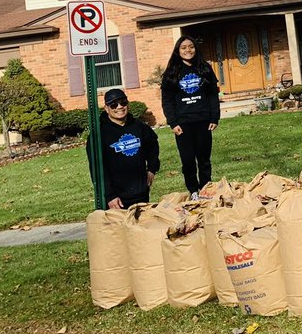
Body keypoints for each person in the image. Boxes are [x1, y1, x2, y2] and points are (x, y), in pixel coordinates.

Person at [160, 35, 221, 198]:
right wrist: (173, 122)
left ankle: (206, 189)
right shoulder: (172, 72)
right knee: (187, 161)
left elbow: (213, 95)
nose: (188, 50)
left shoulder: (205, 68)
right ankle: (193, 191)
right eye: (184, 47)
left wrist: (214, 118)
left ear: (195, 49)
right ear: (178, 51)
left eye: (191, 46)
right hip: (183, 124)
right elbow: (167, 101)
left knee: (204, 160)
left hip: (203, 121)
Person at [88, 88, 160, 209]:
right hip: (117, 199)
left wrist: (152, 169)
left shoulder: (139, 126)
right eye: (114, 105)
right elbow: (97, 169)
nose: (120, 107)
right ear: (106, 108)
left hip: (141, 193)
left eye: (123, 103)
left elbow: (153, 145)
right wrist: (110, 195)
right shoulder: (99, 135)